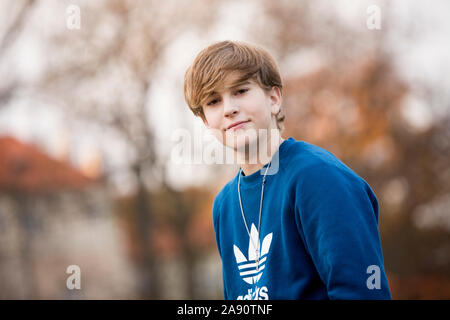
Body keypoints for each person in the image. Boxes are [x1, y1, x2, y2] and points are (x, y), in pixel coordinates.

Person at [183, 40, 392, 300]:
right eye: (213, 101)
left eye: (240, 90)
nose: (229, 109)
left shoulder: (318, 178)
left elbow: (362, 293)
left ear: (273, 99)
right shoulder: (224, 205)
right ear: (205, 120)